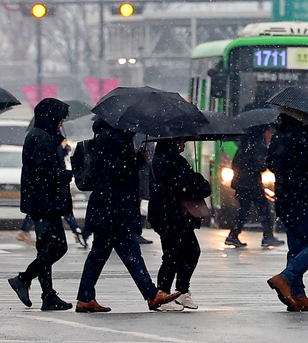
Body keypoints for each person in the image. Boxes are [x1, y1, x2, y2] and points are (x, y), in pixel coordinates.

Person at [75, 118, 182, 313]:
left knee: (100, 254)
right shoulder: (113, 140)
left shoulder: (109, 137)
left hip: (107, 207)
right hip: (114, 208)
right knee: (130, 252)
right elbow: (116, 175)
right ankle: (151, 294)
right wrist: (138, 159)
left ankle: (85, 297)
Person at [8, 98, 73, 311]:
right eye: (60, 118)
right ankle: (23, 279)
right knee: (57, 247)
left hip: (41, 201)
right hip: (45, 202)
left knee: (45, 248)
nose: (61, 123)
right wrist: (68, 174)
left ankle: (48, 295)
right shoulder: (42, 138)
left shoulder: (42, 136)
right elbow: (46, 172)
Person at [266, 106, 308, 312]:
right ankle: (284, 278)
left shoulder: (279, 134)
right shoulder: (305, 134)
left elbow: (270, 163)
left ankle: (297, 294)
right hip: (306, 200)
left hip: (286, 200)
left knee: (296, 248)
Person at [149, 139, 212, 310]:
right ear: (172, 142)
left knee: (187, 252)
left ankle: (181, 291)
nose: (183, 144)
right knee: (174, 255)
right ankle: (163, 294)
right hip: (170, 215)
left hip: (169, 214)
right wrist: (200, 181)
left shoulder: (163, 159)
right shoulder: (170, 162)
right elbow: (194, 186)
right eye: (181, 140)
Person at [225, 125, 285, 248]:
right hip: (251, 184)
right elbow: (260, 166)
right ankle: (267, 236)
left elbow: (235, 164)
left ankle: (233, 235)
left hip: (241, 183)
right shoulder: (258, 147)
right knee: (265, 210)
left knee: (244, 210)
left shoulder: (244, 146)